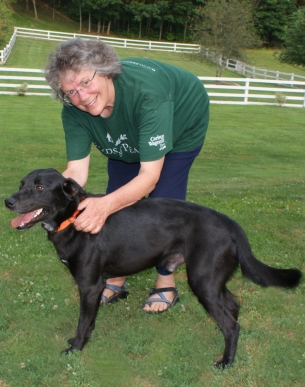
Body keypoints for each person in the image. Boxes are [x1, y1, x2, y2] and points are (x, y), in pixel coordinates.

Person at [45, 38, 209, 313]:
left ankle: (165, 283)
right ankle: (116, 276)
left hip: (182, 121)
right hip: (126, 139)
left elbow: (149, 176)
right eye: (71, 91)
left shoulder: (147, 94)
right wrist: (48, 199)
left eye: (86, 82)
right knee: (118, 195)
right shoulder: (73, 110)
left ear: (106, 71)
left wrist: (106, 205)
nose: (81, 96)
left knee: (163, 206)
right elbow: (76, 171)